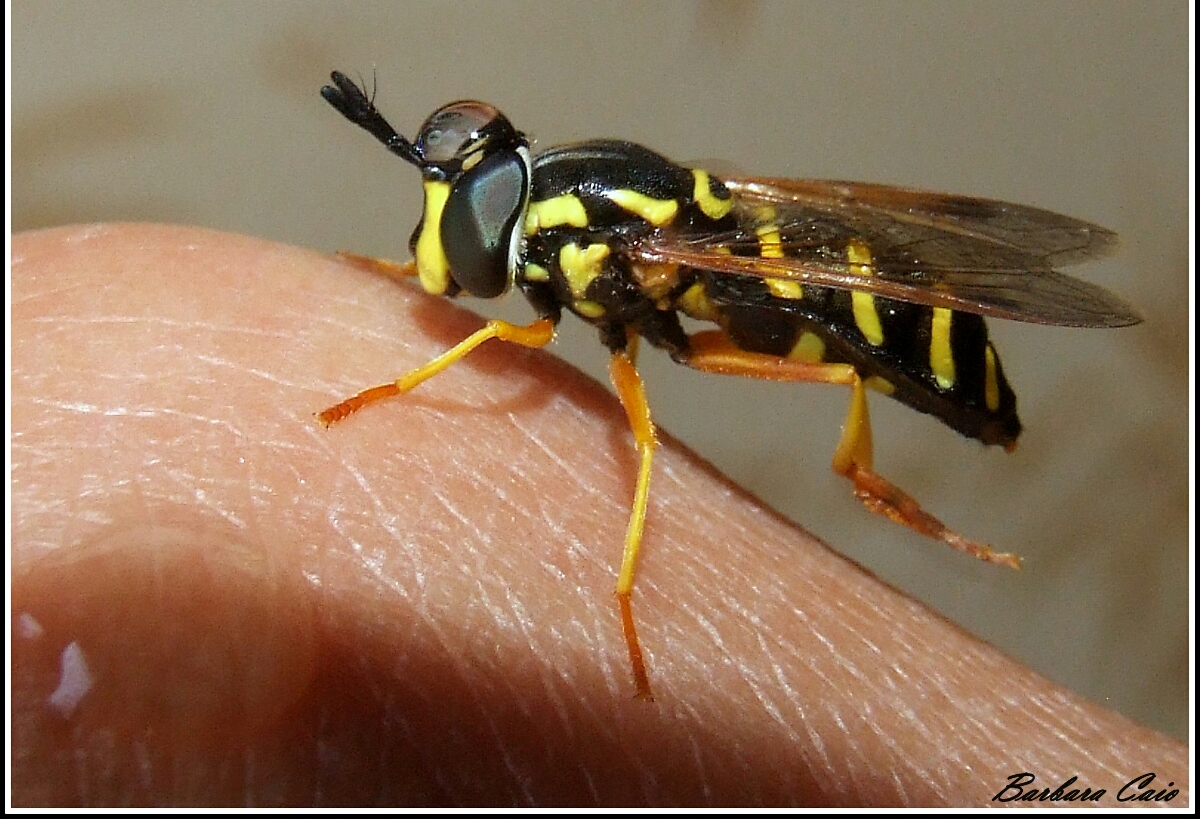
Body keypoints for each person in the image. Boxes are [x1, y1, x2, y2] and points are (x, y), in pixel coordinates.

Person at [10, 224, 1187, 806]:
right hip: (801, 276)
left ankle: (868, 482)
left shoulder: (617, 260)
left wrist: (621, 595)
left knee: (838, 367)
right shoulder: (581, 261)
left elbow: (535, 353)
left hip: (876, 313)